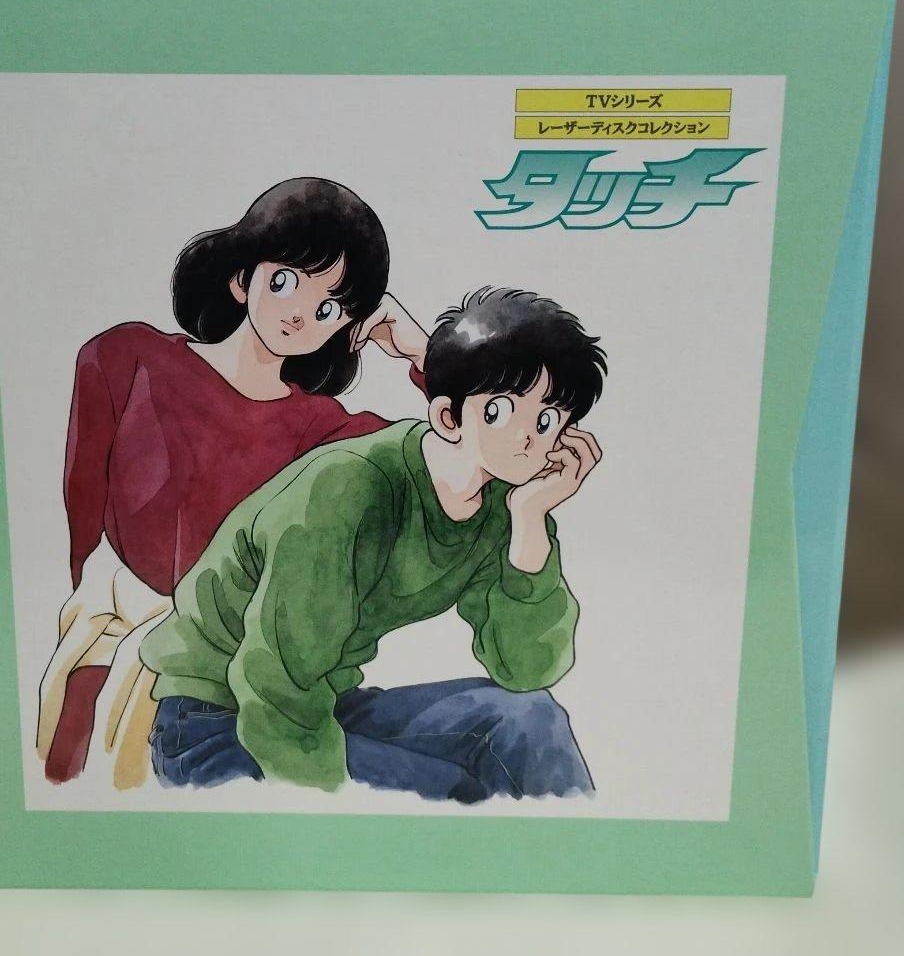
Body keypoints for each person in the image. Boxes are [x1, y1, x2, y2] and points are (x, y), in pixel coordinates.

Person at [141, 287, 606, 802]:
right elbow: (274, 683)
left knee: (530, 718)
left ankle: (577, 843)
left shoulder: (508, 510)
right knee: (456, 794)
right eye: (500, 410)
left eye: (546, 420)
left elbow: (528, 672)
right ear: (448, 417)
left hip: (323, 704)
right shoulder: (350, 486)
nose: (527, 437)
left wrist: (531, 520)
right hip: (216, 726)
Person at [37, 177, 431, 783]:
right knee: (59, 777)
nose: (300, 315)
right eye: (287, 281)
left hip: (209, 668)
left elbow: (454, 453)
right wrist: (83, 600)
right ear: (242, 278)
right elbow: (81, 495)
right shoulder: (126, 355)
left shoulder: (322, 428)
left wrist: (421, 354)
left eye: (329, 308)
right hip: (99, 626)